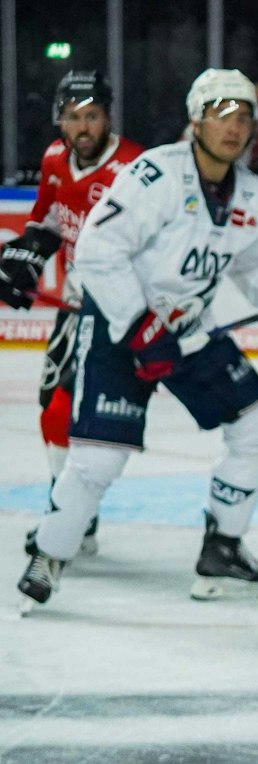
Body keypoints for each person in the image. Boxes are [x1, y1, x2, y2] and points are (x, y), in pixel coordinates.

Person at [17, 69, 258, 613]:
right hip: (119, 328)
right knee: (98, 460)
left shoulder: (249, 192)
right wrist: (138, 325)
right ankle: (50, 554)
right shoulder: (156, 173)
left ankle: (222, 550)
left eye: (244, 116)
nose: (235, 127)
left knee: (257, 425)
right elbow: (99, 250)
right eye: (222, 115)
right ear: (196, 121)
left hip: (184, 333)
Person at [0, 70, 144, 560]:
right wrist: (26, 259)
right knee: (53, 407)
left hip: (122, 311)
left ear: (108, 118)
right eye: (73, 117)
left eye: (93, 116)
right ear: (59, 119)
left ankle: (72, 513)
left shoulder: (135, 169)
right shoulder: (54, 159)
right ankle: (70, 511)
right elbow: (46, 220)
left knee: (78, 411)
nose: (83, 127)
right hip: (76, 306)